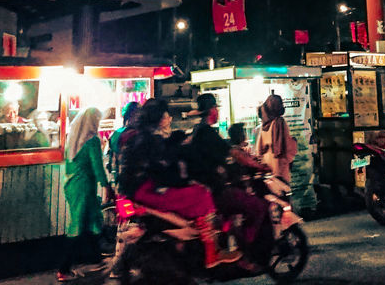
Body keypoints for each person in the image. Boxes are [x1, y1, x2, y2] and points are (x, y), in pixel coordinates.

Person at [118, 98, 240, 269]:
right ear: (160, 118)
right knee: (201, 193)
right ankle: (212, 252)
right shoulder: (152, 140)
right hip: (147, 191)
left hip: (133, 190)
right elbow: (164, 169)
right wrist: (184, 180)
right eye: (167, 115)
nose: (169, 119)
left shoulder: (135, 136)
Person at [184, 94, 270, 270]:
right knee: (257, 206)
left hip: (208, 188)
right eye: (216, 108)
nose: (217, 112)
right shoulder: (207, 133)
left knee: (235, 213)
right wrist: (259, 167)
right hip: (215, 191)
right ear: (211, 111)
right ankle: (246, 254)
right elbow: (235, 154)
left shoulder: (198, 132)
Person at [58, 108, 109, 282]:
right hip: (84, 186)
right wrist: (107, 185)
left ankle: (97, 259)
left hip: (72, 185)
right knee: (78, 224)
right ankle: (63, 269)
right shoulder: (92, 141)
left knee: (92, 219)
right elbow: (97, 166)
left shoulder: (73, 140)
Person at [256, 94, 294, 183]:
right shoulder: (279, 122)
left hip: (268, 165)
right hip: (279, 166)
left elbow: (259, 149)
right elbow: (287, 146)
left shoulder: (264, 124)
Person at [107, 102, 140, 183]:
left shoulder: (115, 133)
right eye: (138, 113)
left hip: (119, 177)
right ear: (132, 115)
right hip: (133, 178)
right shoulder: (134, 134)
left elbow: (111, 160)